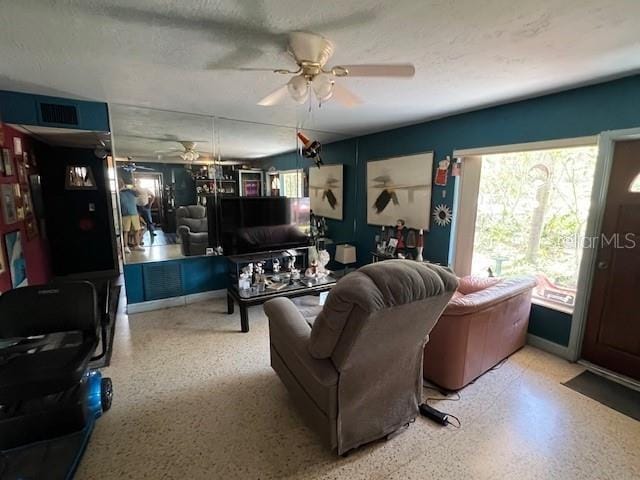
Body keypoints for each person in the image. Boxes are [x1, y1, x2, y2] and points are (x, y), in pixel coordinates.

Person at [118, 179, 144, 254]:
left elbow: (140, 193)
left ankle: (137, 245)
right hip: (125, 214)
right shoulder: (118, 193)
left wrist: (135, 186)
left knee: (137, 229)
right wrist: (120, 189)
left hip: (134, 213)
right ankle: (126, 246)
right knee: (126, 231)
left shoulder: (131, 191)